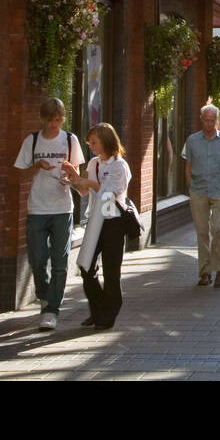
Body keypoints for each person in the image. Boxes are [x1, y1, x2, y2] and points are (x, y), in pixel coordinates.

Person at [13, 98, 84, 331]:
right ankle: (45, 296)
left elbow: (78, 177)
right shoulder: (32, 141)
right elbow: (19, 176)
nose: (55, 125)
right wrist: (37, 167)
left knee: (60, 261)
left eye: (58, 120)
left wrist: (69, 175)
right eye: (51, 120)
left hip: (63, 209)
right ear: (43, 119)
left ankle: (51, 309)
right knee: (37, 258)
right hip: (37, 208)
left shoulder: (70, 141)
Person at [63, 123, 131, 329]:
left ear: (107, 141)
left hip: (113, 222)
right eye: (89, 143)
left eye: (94, 142)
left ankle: (108, 314)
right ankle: (99, 308)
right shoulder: (93, 163)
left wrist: (90, 184)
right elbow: (85, 192)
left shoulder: (120, 166)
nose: (91, 146)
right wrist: (72, 178)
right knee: (86, 266)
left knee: (111, 270)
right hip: (94, 220)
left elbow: (111, 194)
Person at [183, 104, 220, 287]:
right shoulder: (192, 140)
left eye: (212, 120)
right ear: (201, 119)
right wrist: (189, 186)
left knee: (219, 230)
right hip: (198, 191)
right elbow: (188, 165)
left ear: (217, 120)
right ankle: (204, 272)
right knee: (202, 232)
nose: (209, 123)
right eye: (206, 120)